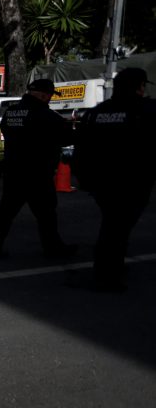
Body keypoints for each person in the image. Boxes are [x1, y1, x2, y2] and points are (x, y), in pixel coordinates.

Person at [73, 67, 156, 291]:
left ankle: (109, 269)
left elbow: (80, 148)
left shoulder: (97, 112)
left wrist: (83, 178)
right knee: (116, 230)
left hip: (101, 183)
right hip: (133, 182)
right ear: (140, 86)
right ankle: (108, 275)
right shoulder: (146, 110)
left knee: (113, 225)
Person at [0, 78, 76, 259]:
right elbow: (68, 137)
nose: (50, 99)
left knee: (6, 212)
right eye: (49, 96)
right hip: (38, 173)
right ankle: (53, 248)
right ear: (43, 94)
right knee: (47, 214)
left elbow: (6, 131)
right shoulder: (45, 115)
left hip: (13, 171)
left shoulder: (11, 112)